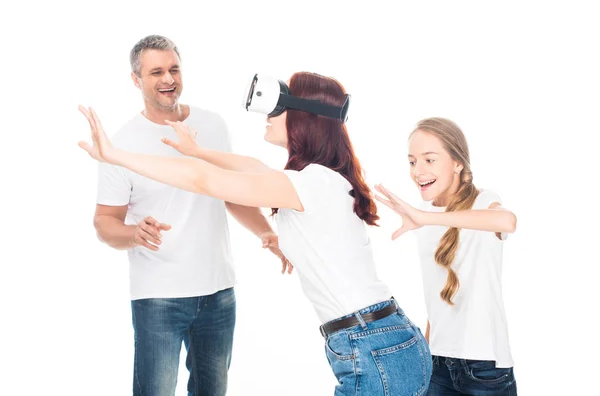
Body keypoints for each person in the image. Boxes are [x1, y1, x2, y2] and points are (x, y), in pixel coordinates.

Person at [78, 71, 432, 395]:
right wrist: (199, 151)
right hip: (377, 342)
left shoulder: (313, 183)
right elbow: (253, 168)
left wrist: (117, 156)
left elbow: (205, 181)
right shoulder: (317, 178)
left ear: (302, 117)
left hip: (373, 347)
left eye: (279, 107)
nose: (269, 114)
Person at [91, 35, 290, 396]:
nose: (168, 79)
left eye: (174, 69)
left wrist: (266, 233)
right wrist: (134, 233)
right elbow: (104, 223)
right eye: (156, 72)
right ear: (136, 80)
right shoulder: (120, 145)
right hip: (158, 298)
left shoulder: (212, 125)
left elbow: (231, 193)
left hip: (218, 293)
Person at [374, 117, 518, 395]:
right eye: (413, 161)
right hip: (437, 363)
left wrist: (427, 218)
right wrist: (427, 354)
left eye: (430, 160)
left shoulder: (483, 202)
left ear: (457, 163)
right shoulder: (422, 218)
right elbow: (439, 296)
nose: (418, 171)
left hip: (485, 366)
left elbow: (507, 222)